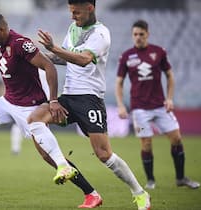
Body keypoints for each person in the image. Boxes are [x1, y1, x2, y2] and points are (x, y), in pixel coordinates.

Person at [0, 13, 102, 208]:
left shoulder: (20, 43)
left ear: (1, 30)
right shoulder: (0, 45)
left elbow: (49, 67)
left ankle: (91, 193)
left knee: (48, 157)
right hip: (8, 102)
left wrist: (52, 101)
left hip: (30, 107)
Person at [27, 0, 151, 209]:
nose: (72, 16)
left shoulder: (100, 34)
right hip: (68, 97)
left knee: (104, 154)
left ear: (90, 8)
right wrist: (35, 58)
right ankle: (84, 187)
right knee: (35, 121)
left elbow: (83, 59)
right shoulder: (73, 29)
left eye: (76, 12)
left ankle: (140, 192)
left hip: (90, 99)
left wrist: (54, 47)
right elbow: (64, 58)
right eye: (70, 11)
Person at [115, 19, 200, 190]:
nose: (138, 37)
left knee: (176, 138)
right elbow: (119, 82)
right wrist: (121, 105)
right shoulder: (126, 56)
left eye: (141, 34)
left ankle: (181, 178)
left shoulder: (158, 52)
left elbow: (170, 75)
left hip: (160, 106)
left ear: (147, 34)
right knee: (146, 143)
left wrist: (169, 98)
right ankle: (151, 181)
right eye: (135, 34)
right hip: (139, 108)